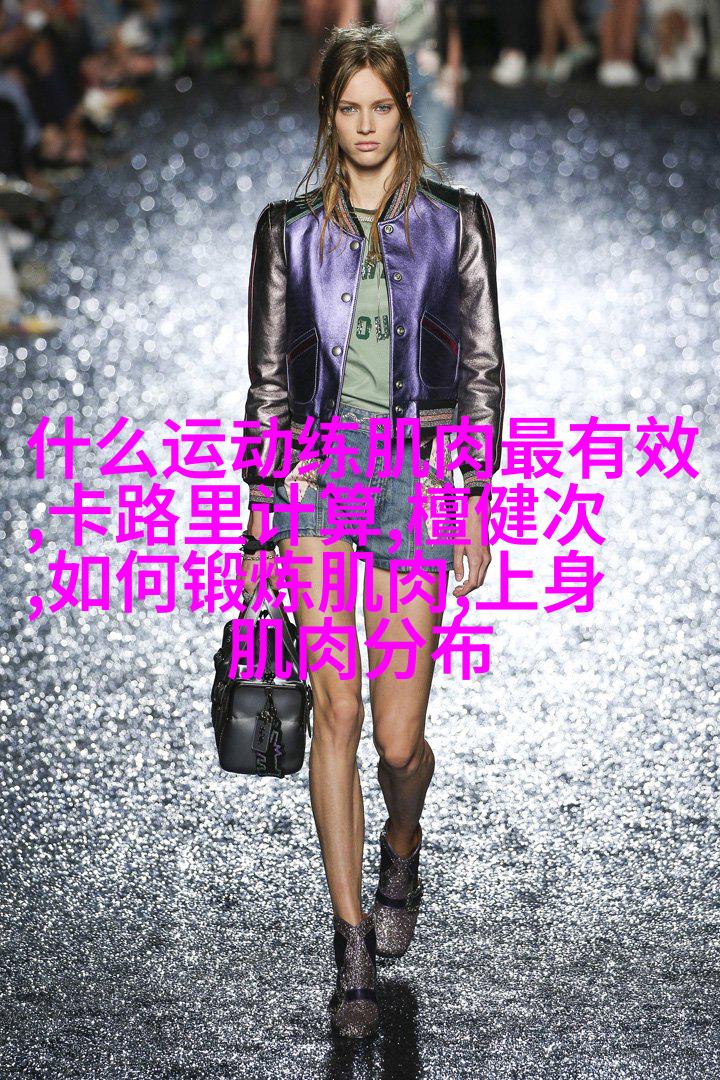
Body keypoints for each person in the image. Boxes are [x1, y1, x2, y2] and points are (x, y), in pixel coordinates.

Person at [240, 23, 505, 1040]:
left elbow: (480, 371)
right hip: (317, 479)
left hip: (419, 478)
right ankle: (350, 944)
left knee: (398, 741)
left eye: (380, 108)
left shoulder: (457, 223)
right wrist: (261, 520)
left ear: (404, 113)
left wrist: (473, 495)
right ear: (328, 116)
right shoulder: (285, 233)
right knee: (336, 709)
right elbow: (270, 382)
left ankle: (403, 838)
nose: (363, 126)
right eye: (347, 109)